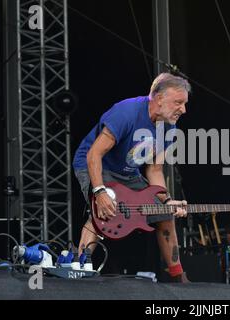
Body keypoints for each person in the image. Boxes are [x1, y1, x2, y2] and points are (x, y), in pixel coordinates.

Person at [72, 73, 191, 282]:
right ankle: (79, 265)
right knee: (103, 211)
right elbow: (94, 154)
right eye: (178, 103)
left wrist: (167, 200)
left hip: (128, 173)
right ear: (159, 98)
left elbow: (154, 170)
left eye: (184, 103)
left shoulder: (169, 127)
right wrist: (99, 191)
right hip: (96, 165)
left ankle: (178, 276)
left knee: (165, 214)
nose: (183, 109)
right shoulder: (126, 112)